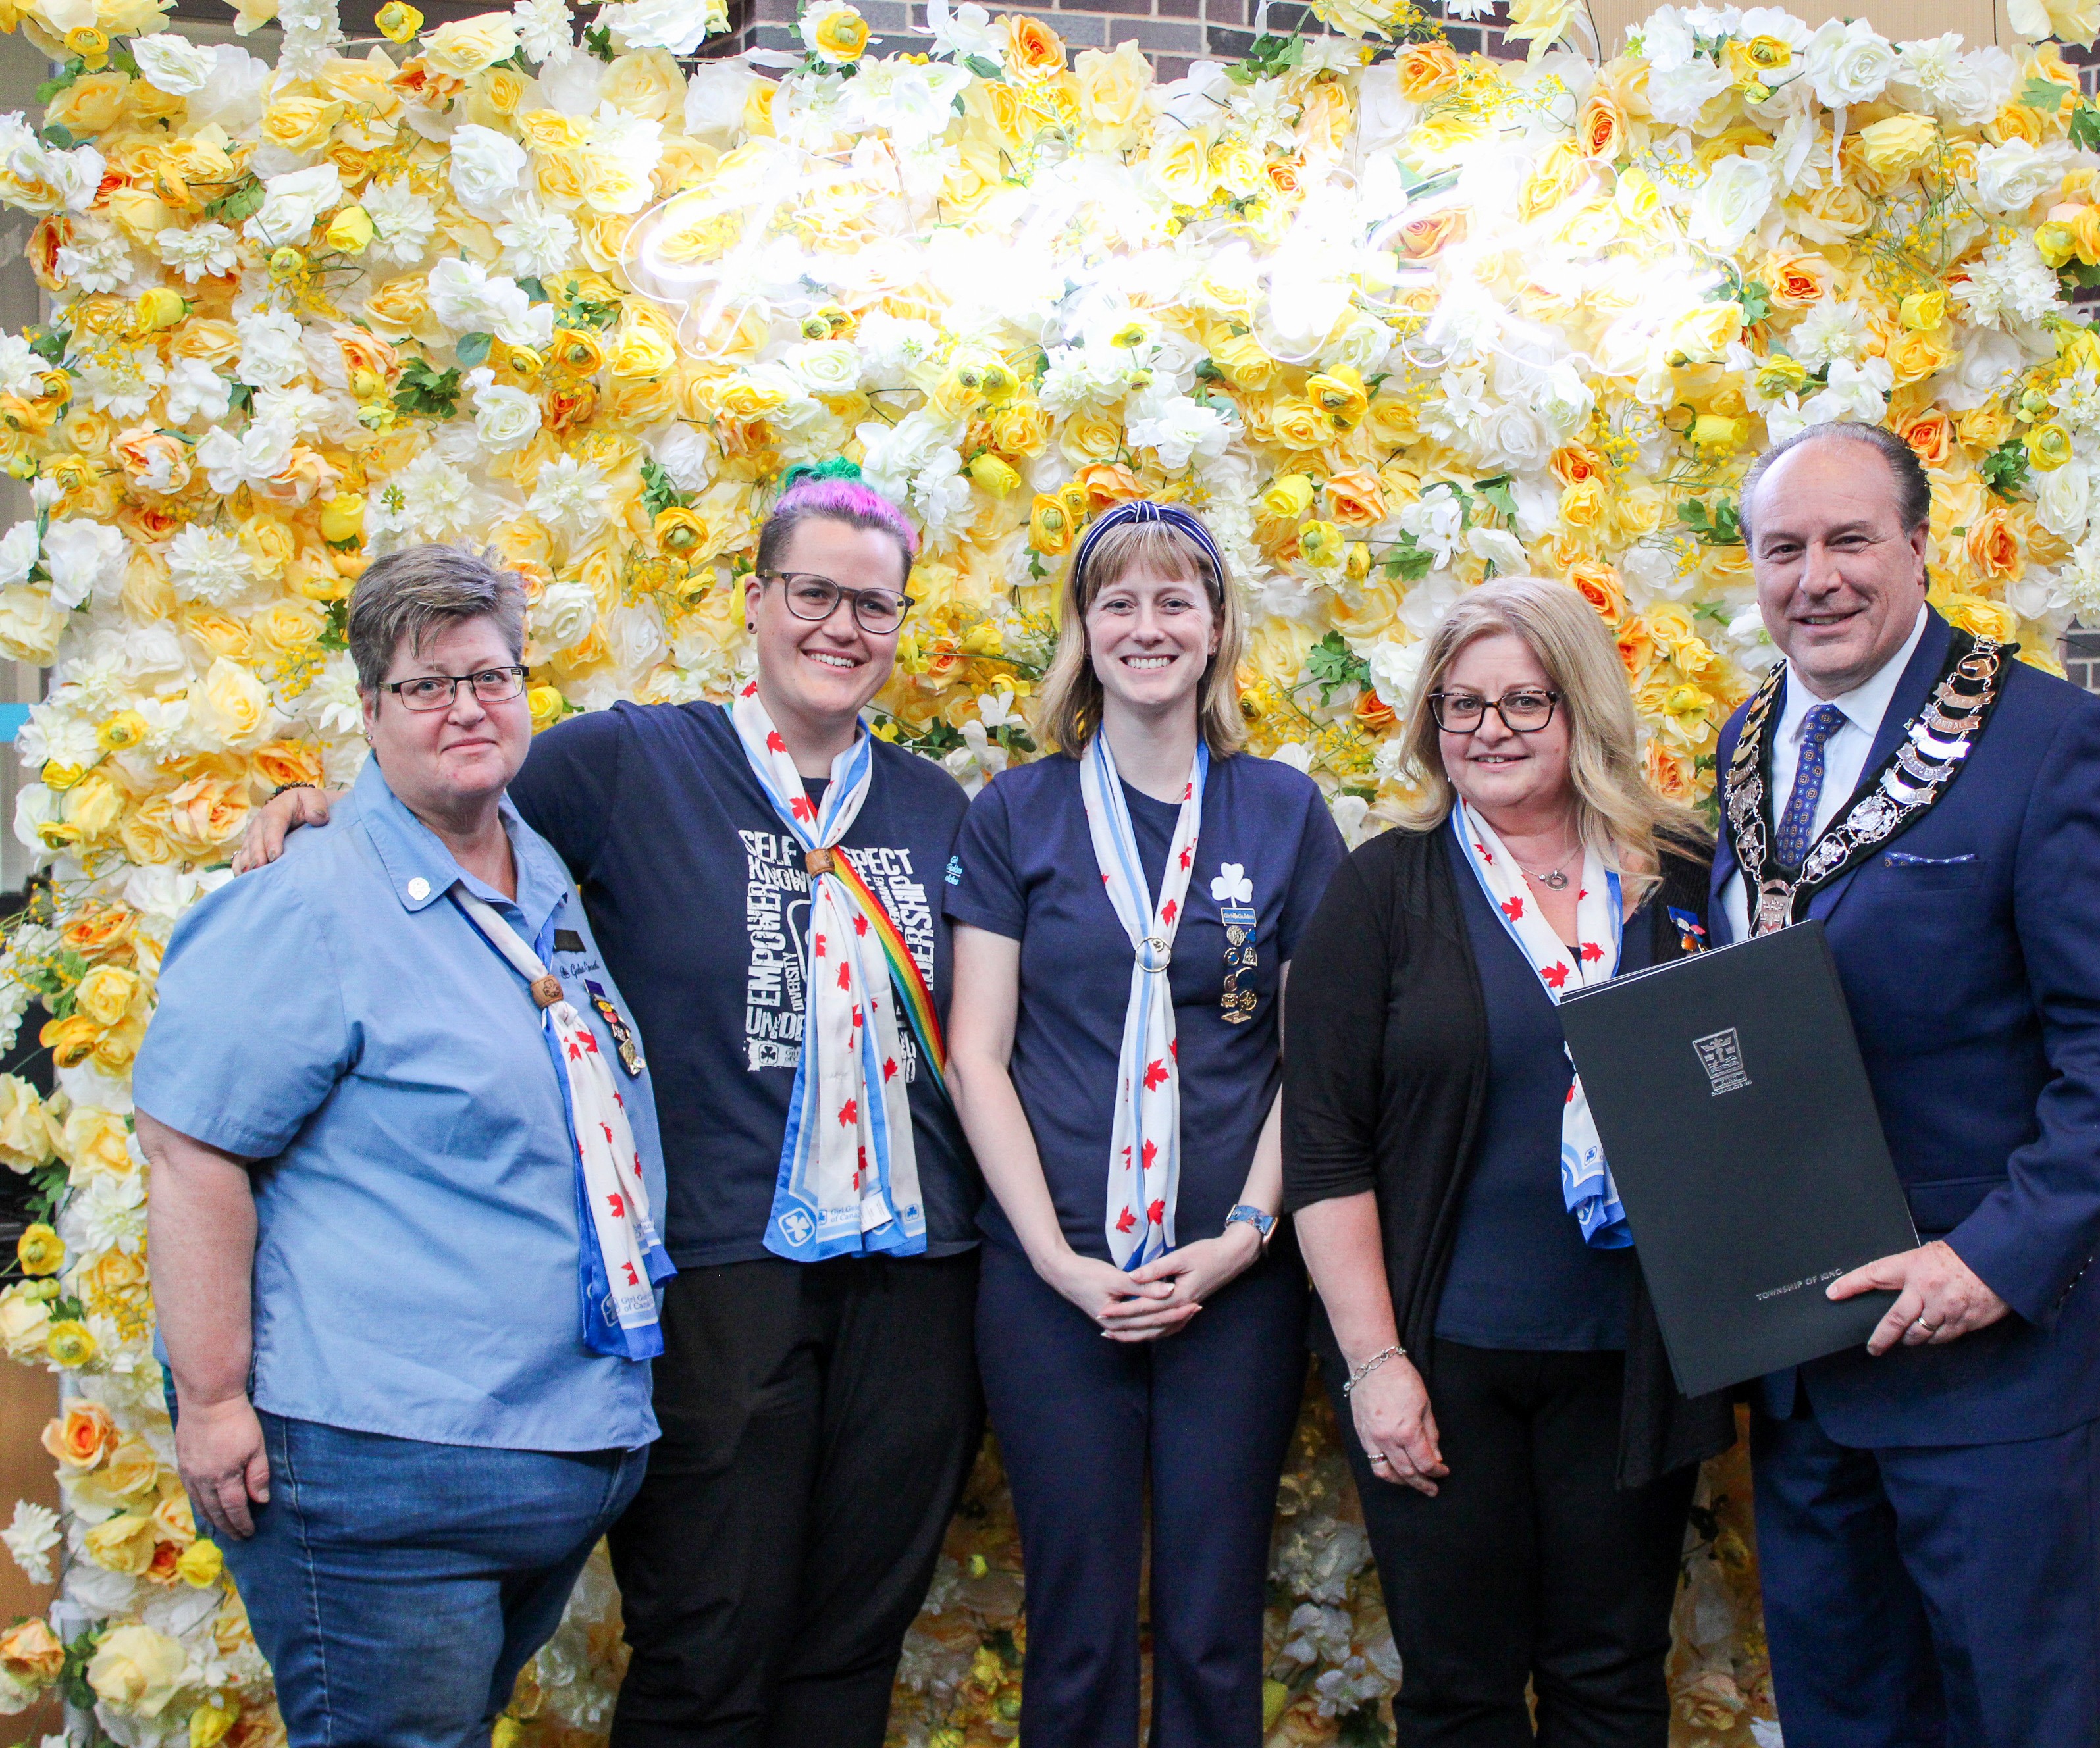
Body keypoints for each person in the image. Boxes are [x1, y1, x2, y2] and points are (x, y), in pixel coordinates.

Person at [233, 463, 983, 1748]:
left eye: (876, 605)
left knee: (858, 1638)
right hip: (716, 1273)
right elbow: (452, 810)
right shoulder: (634, 759)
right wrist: (326, 806)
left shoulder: (934, 803)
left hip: (919, 1276)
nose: (841, 627)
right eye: (814, 592)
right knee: (710, 1639)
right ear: (755, 599)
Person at [1712, 421, 2100, 1745]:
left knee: (2007, 1713)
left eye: (1851, 540)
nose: (1816, 577)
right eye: (1784, 547)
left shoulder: (2044, 739)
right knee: (1843, 1710)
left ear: (1920, 548)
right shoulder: (1749, 742)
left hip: (1980, 1353)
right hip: (1807, 1350)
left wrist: (1989, 1258)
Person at [136, 546, 669, 1747]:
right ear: (370, 712)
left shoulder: (538, 869)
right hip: (379, 1472)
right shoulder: (302, 901)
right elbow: (189, 1151)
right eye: (428, 687)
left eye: (491, 675)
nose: (467, 707)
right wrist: (215, 1398)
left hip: (548, 1447)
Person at [1283, 577, 1734, 1747]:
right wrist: (1375, 1363)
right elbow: (1325, 1147)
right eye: (1461, 703)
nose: (1489, 729)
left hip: (1634, 1359)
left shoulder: (1680, 874)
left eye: (1525, 702)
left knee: (1613, 1679)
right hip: (1442, 1364)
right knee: (1459, 1693)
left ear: (1582, 708)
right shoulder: (1383, 887)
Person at [943, 500, 1346, 1748]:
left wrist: (1242, 1235)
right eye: (1118, 601)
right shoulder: (1015, 812)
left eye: (1175, 601)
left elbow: (1308, 1058)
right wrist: (1060, 1264)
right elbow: (977, 1053)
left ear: (1217, 631)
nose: (1147, 626)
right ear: (1083, 632)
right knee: (1075, 1621)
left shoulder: (1281, 810)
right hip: (1053, 1279)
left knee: (1217, 1621)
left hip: (1233, 1279)